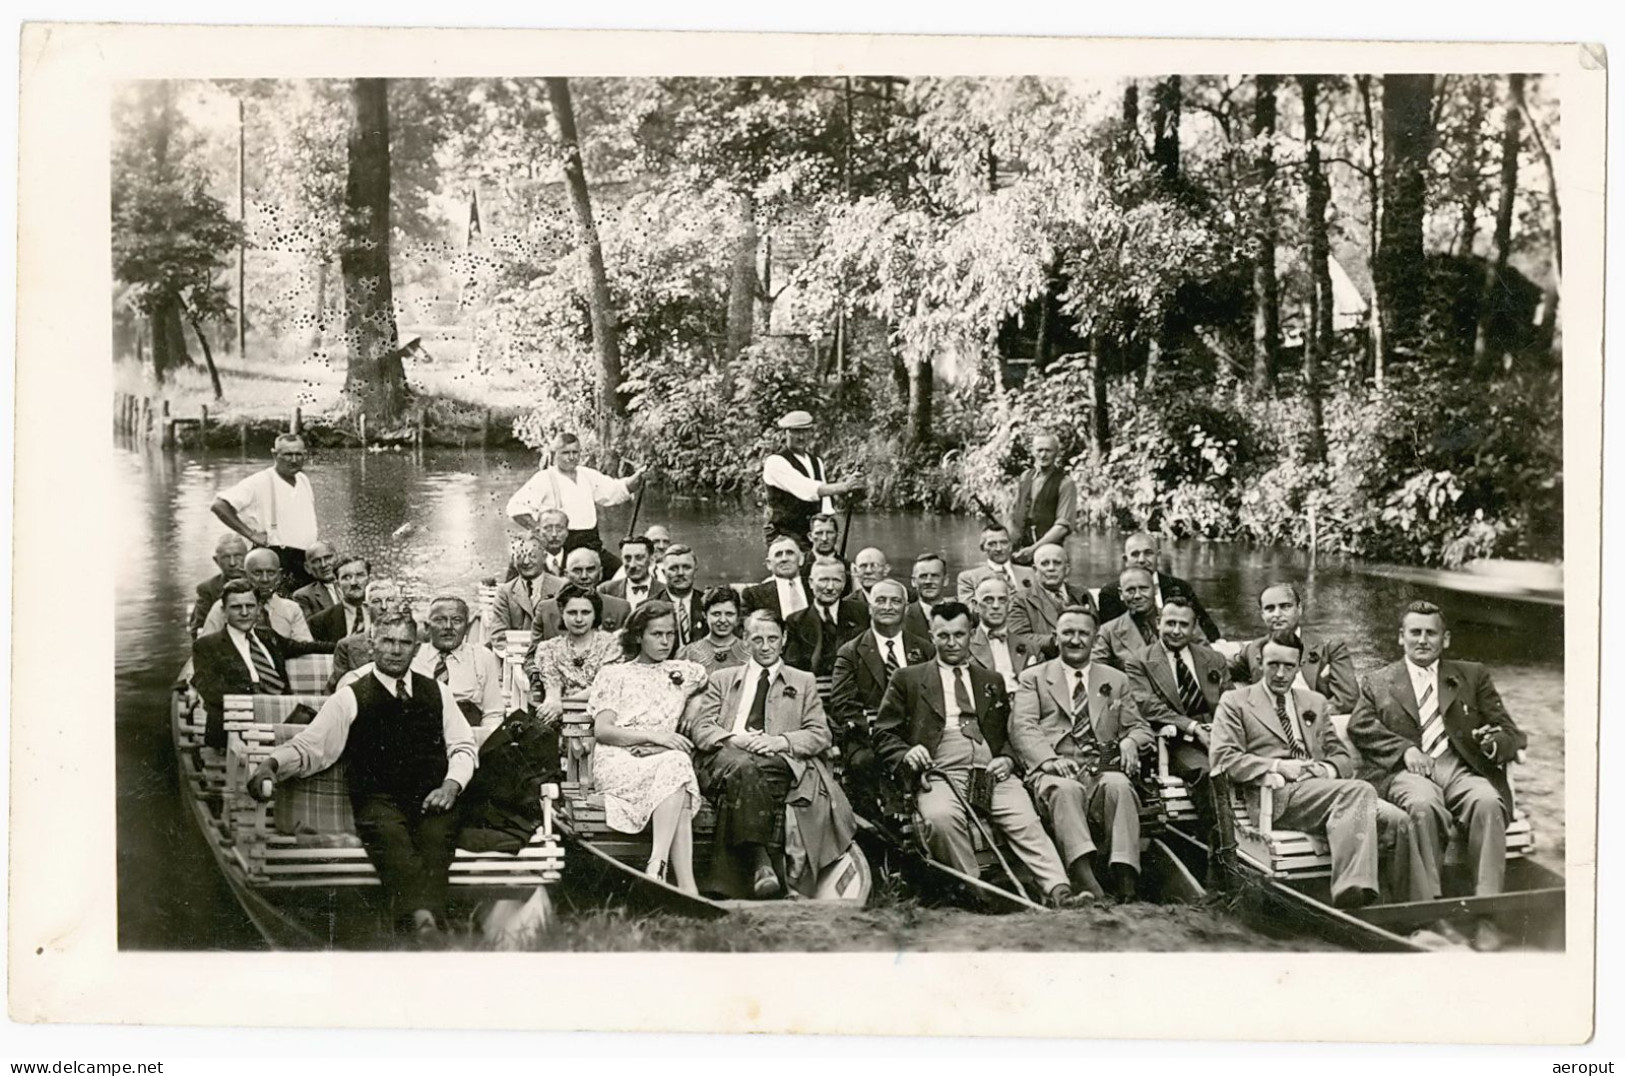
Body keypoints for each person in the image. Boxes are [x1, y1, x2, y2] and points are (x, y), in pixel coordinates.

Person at [247, 611, 478, 940]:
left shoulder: (437, 693)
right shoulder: (349, 697)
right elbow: (311, 747)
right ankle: (426, 923)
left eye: (404, 643)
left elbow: (463, 746)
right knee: (392, 839)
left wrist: (452, 785)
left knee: (436, 839)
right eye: (387, 641)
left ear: (416, 648)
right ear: (372, 645)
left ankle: (413, 923)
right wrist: (271, 763)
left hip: (433, 797)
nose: (396, 650)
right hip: (378, 800)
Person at [872, 601, 1085, 909]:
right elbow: (883, 733)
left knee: (1024, 819)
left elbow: (1010, 733)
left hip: (989, 769)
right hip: (939, 768)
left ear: (971, 634)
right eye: (943, 635)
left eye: (959, 634)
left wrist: (1008, 759)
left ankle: (1060, 892)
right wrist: (907, 752)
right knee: (941, 818)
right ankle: (977, 894)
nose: (952, 643)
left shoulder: (991, 680)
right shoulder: (908, 678)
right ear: (931, 635)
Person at [1346, 601, 1526, 950]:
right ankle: (1428, 916)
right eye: (1415, 632)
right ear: (1401, 637)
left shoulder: (1472, 675)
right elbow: (1359, 726)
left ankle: (1485, 913)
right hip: (1405, 772)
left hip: (1459, 767)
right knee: (1424, 805)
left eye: (1431, 633)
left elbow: (1509, 732)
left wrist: (1493, 745)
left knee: (1488, 801)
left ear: (1445, 639)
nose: (1423, 640)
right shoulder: (1378, 681)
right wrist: (1403, 749)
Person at [1210, 637, 1422, 911]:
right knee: (1359, 790)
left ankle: (1402, 908)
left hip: (1325, 793)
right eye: (1273, 665)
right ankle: (1351, 894)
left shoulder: (1314, 702)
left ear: (1299, 667)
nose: (1280, 674)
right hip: (1277, 795)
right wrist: (1277, 766)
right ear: (1260, 663)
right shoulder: (1236, 702)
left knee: (1400, 820)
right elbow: (1223, 759)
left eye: (1288, 666)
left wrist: (1326, 768)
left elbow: (1342, 758)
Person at [686, 610, 858, 899]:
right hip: (726, 755)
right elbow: (702, 728)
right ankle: (761, 860)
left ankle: (731, 881)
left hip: (774, 759)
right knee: (743, 768)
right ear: (744, 641)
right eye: (757, 639)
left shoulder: (802, 681)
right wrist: (733, 738)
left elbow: (820, 734)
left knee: (749, 773)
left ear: (784, 639)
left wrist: (780, 741)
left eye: (772, 639)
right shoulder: (722, 679)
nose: (765, 646)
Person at [1010, 605, 1153, 902]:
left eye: (1083, 633)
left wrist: (1130, 742)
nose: (1075, 640)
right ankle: (1086, 878)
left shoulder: (1115, 679)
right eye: (1068, 633)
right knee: (1066, 790)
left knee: (1120, 786)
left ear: (1095, 637)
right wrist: (1049, 759)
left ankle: (1125, 876)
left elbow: (1140, 728)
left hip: (1098, 768)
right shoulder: (1034, 678)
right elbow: (1022, 727)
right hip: (1054, 770)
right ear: (1056, 636)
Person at [587, 601, 709, 895]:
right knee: (678, 767)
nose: (665, 641)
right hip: (619, 760)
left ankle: (662, 870)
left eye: (670, 634)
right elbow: (603, 731)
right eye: (656, 634)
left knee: (675, 767)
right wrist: (654, 737)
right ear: (639, 636)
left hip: (662, 759)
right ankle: (678, 879)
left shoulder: (684, 672)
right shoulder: (614, 674)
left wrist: (694, 704)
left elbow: (711, 685)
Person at [1122, 596, 1231, 828]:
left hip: (1219, 734)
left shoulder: (1213, 658)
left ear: (1194, 628)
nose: (1176, 631)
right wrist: (1194, 728)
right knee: (1208, 772)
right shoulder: (1139, 661)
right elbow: (1148, 705)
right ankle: (1222, 846)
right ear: (1158, 622)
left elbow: (1230, 701)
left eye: (1184, 625)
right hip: (1177, 739)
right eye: (1170, 623)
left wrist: (1221, 729)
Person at [829, 578, 934, 815]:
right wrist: (878, 734)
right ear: (869, 607)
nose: (888, 606)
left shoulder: (925, 649)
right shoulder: (851, 652)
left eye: (896, 601)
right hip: (868, 737)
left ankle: (921, 828)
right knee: (863, 763)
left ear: (906, 608)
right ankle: (884, 841)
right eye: (881, 600)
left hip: (914, 736)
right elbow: (843, 704)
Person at [191, 579, 334, 749]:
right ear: (223, 611)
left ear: (259, 608)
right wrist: (261, 703)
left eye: (250, 606)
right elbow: (209, 690)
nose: (244, 612)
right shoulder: (207, 646)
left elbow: (305, 646)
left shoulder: (267, 636)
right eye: (236, 607)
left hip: (284, 722)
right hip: (235, 728)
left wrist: (346, 646)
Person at [505, 431, 645, 577]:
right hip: (562, 545)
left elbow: (616, 491)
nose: (571, 457)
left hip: (591, 543)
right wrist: (539, 531)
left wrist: (637, 478)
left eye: (575, 452)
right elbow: (516, 508)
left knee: (623, 573)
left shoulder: (587, 475)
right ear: (554, 454)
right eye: (566, 453)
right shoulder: (544, 478)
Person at [211, 433, 321, 592]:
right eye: (288, 454)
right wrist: (251, 534)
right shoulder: (260, 481)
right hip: (276, 561)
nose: (294, 459)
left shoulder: (303, 479)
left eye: (299, 454)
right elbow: (219, 505)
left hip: (305, 562)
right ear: (275, 455)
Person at [1230, 582, 1358, 713]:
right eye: (1270, 609)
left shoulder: (1330, 648)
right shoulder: (1253, 649)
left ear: (1299, 609)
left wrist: (1306, 715)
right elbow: (1220, 667)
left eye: (1285, 607)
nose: (1277, 614)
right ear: (1262, 615)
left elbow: (1347, 699)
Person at [522, 583, 621, 729]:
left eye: (586, 612)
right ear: (562, 613)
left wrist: (563, 704)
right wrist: (552, 703)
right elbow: (552, 690)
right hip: (564, 718)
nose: (579, 619)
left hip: (602, 714)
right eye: (572, 612)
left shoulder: (611, 644)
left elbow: (604, 686)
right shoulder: (549, 649)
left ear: (595, 615)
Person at [761, 410, 863, 549]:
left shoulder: (816, 462)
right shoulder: (775, 462)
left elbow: (825, 505)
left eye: (805, 431)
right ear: (785, 433)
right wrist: (844, 486)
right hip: (783, 536)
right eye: (795, 432)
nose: (801, 437)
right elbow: (806, 489)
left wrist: (833, 545)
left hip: (811, 536)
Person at [1096, 532, 1222, 642]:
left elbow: (1206, 624)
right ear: (1125, 559)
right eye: (1135, 554)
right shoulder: (1111, 593)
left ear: (1158, 556)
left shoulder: (1179, 586)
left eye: (1148, 553)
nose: (1141, 560)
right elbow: (1111, 637)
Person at [412, 597, 505, 733]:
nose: (448, 627)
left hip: (469, 738)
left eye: (457, 620)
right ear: (427, 627)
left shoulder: (481, 658)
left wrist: (481, 741)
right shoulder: (412, 658)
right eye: (440, 620)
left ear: (467, 628)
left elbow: (493, 713)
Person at [197, 547, 314, 642]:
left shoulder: (291, 609)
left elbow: (305, 648)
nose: (265, 579)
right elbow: (205, 648)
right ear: (244, 574)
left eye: (271, 573)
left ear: (279, 576)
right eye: (257, 573)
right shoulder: (223, 607)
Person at [783, 559, 870, 679]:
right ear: (811, 582)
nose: (830, 587)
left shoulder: (862, 613)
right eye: (824, 580)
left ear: (844, 583)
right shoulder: (796, 621)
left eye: (836, 580)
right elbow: (792, 668)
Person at [1091, 566, 1187, 671]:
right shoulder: (1108, 632)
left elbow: (1203, 657)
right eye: (1130, 590)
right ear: (1121, 594)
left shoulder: (1181, 618)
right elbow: (1096, 670)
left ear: (1155, 590)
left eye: (1143, 589)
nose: (1137, 595)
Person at [1009, 431, 1078, 566]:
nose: (1043, 455)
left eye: (1048, 450)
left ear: (1057, 452)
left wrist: (1033, 550)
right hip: (1020, 551)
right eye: (1039, 450)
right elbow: (1014, 515)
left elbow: (1062, 527)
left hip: (1049, 554)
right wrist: (1010, 544)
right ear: (1033, 451)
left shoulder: (1065, 482)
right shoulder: (1025, 477)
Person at [1008, 542, 1093, 650]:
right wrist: (1058, 640)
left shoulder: (1082, 594)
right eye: (1045, 564)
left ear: (1066, 569)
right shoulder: (1020, 601)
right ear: (1035, 570)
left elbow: (1095, 631)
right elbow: (1019, 638)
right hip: (1045, 661)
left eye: (1057, 563)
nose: (1051, 568)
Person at [534, 548, 631, 639]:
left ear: (600, 573)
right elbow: (533, 654)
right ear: (566, 575)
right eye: (577, 570)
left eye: (590, 570)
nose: (584, 576)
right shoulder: (545, 609)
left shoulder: (620, 609)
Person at [329, 581, 406, 691]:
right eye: (376, 601)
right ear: (366, 607)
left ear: (398, 606)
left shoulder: (412, 644)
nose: (384, 607)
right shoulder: (346, 646)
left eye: (390, 600)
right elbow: (337, 689)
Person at [967, 576, 1040, 691]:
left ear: (1010, 605)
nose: (996, 606)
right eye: (988, 600)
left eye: (1002, 600)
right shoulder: (965, 646)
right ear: (975, 605)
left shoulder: (1031, 648)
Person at [492, 532, 566, 633]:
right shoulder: (504, 593)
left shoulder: (561, 587)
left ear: (544, 557)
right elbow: (499, 634)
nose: (526, 562)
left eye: (532, 556)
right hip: (514, 648)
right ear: (513, 560)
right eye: (520, 556)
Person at [956, 523, 1036, 602]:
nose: (999, 548)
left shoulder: (1030, 573)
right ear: (983, 547)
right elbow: (968, 609)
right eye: (992, 544)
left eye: (1004, 543)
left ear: (1010, 546)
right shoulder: (969, 578)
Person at [190, 533, 249, 639]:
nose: (232, 563)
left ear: (248, 557)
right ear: (216, 560)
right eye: (226, 557)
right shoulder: (208, 590)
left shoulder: (260, 583)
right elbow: (198, 630)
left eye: (238, 556)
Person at [740, 536, 812, 621]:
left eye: (790, 553)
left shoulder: (816, 587)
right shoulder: (754, 595)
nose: (784, 559)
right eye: (778, 555)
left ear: (801, 559)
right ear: (769, 564)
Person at [680, 587, 750, 674]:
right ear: (704, 615)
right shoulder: (688, 653)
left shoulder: (750, 651)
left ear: (738, 616)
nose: (723, 620)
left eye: (729, 614)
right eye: (716, 614)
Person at [307, 556, 371, 644]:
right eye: (346, 577)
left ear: (369, 579)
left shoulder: (385, 615)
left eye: (360, 575)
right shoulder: (319, 623)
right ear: (337, 585)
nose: (354, 582)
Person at [598, 536, 669, 611]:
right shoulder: (606, 590)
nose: (632, 565)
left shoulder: (665, 591)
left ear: (651, 559)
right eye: (627, 558)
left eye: (639, 558)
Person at [660, 544, 705, 649]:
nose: (680, 573)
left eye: (686, 567)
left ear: (695, 570)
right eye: (673, 568)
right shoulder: (649, 606)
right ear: (663, 572)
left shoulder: (708, 604)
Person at [800, 513, 854, 597]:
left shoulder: (849, 567)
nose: (824, 538)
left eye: (829, 533)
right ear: (810, 536)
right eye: (819, 533)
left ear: (837, 536)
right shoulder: (800, 565)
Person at [900, 552, 950, 640]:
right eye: (923, 576)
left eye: (935, 576)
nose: (928, 581)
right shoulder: (902, 618)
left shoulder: (960, 616)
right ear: (913, 582)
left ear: (945, 580)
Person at [291, 541, 341, 619]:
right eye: (316, 561)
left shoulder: (354, 583)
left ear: (337, 558)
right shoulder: (303, 596)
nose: (323, 564)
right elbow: (313, 626)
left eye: (327, 557)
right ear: (307, 568)